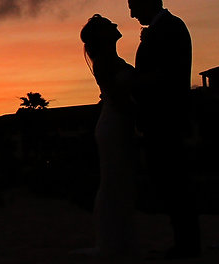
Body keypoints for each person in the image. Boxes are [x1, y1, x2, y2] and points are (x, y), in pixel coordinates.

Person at [125, 0, 201, 259]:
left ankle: (187, 245)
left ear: (147, 3)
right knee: (171, 183)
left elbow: (166, 76)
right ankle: (184, 242)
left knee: (174, 183)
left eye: (133, 8)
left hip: (165, 118)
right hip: (162, 118)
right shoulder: (166, 28)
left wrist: (133, 83)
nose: (132, 15)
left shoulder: (169, 29)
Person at [80, 14, 140, 259]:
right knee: (111, 182)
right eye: (108, 25)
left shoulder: (110, 60)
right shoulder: (104, 62)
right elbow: (117, 97)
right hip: (114, 122)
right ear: (102, 36)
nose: (115, 25)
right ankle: (109, 242)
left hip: (117, 121)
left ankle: (118, 241)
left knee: (119, 182)